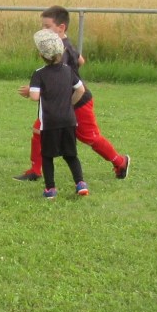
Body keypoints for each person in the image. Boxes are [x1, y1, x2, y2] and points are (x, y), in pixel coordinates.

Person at [14, 5, 130, 181]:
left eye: (47, 26)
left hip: (78, 101)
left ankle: (120, 162)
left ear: (61, 27)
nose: (43, 30)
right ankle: (35, 170)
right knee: (39, 130)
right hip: (61, 101)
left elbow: (59, 77)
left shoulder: (62, 52)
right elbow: (81, 60)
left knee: (90, 137)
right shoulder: (64, 45)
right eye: (42, 26)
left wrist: (34, 90)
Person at [27, 29, 89, 199]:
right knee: (71, 155)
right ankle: (80, 183)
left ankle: (50, 189)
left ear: (41, 55)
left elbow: (34, 97)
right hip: (69, 120)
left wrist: (33, 90)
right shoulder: (68, 70)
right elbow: (81, 90)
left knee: (47, 156)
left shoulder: (39, 74)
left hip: (50, 123)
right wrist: (70, 103)